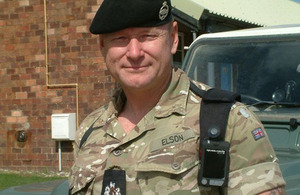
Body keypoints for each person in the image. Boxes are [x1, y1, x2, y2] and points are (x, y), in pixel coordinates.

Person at [69, 0, 286, 194]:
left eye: (147, 36)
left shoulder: (229, 122)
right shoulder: (90, 131)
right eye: (120, 39)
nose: (134, 52)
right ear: (102, 47)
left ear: (173, 38)